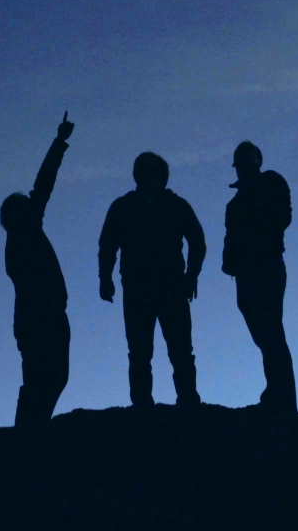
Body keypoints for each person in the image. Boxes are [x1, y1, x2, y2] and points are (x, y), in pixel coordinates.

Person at [98, 151, 206, 407]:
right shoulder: (122, 206)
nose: (146, 174)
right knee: (139, 352)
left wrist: (191, 276)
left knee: (181, 350)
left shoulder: (177, 205)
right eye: (142, 169)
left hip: (173, 288)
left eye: (151, 170)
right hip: (137, 289)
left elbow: (198, 242)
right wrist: (105, 278)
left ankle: (189, 403)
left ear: (162, 176)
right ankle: (142, 407)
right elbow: (107, 245)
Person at [0, 112, 74, 426]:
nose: (34, 206)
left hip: (45, 317)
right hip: (38, 319)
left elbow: (41, 189)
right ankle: (28, 433)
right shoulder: (23, 236)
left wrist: (59, 143)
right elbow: (43, 186)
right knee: (43, 378)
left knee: (51, 378)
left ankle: (32, 429)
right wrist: (58, 143)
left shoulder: (22, 236)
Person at [222, 140, 295, 412]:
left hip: (267, 265)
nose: (242, 167)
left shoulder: (271, 183)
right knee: (264, 335)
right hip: (246, 273)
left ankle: (283, 398)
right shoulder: (235, 203)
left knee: (271, 332)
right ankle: (277, 392)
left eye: (246, 161)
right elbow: (230, 238)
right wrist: (230, 263)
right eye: (239, 163)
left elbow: (282, 217)